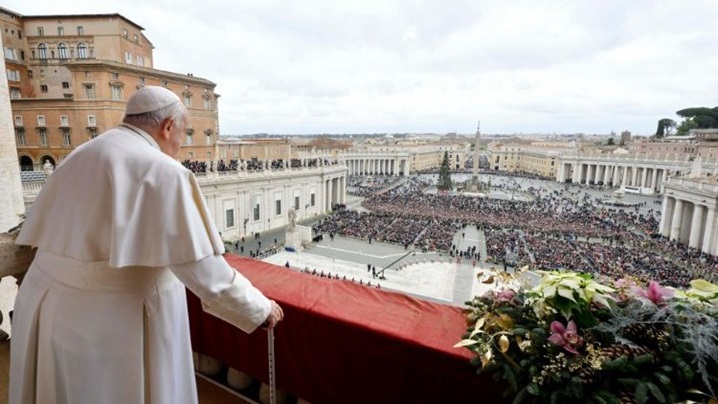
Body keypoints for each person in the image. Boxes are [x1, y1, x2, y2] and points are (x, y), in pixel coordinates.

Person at [10, 86, 284, 404]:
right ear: (168, 126)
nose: (179, 147)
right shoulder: (164, 172)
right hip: (108, 324)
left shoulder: (80, 155)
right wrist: (259, 307)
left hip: (47, 307)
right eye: (181, 135)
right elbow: (205, 270)